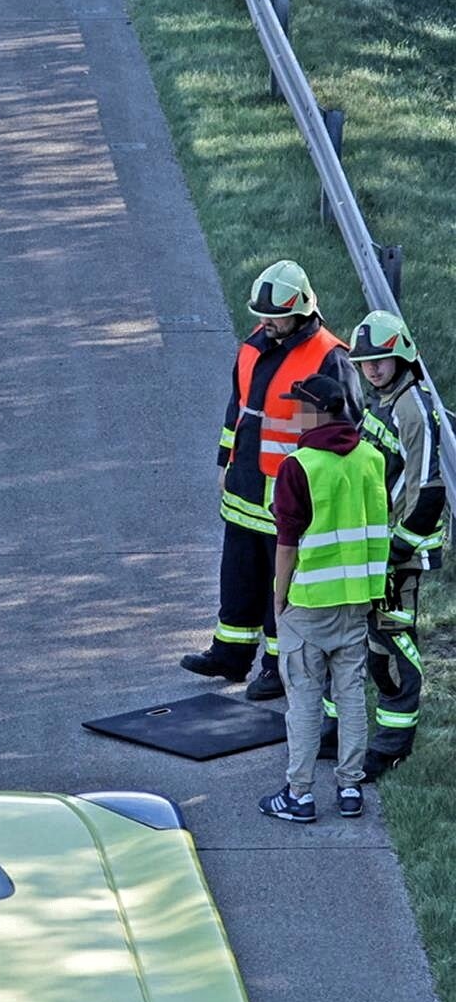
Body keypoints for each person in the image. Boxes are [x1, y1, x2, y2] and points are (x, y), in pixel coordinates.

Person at [184, 261, 355, 701]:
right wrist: (225, 460)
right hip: (245, 487)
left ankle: (277, 669)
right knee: (239, 576)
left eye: (274, 316)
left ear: (300, 310)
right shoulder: (254, 346)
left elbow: (345, 429)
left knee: (285, 586)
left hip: (291, 495)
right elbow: (237, 410)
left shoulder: (328, 355)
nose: (265, 323)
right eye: (261, 315)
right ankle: (230, 654)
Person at [259, 374, 387, 824]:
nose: (294, 413)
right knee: (351, 694)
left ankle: (300, 793)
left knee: (305, 699)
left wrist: (278, 598)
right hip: (356, 600)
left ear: (317, 411)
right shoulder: (371, 458)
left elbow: (288, 542)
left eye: (300, 406)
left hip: (309, 603)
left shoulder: (300, 466)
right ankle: (350, 788)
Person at [347, 309, 449, 778]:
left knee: (391, 640)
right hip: (380, 547)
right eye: (365, 362)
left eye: (380, 361)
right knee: (375, 640)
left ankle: (391, 747)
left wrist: (398, 550)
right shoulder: (385, 399)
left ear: (403, 355)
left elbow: (428, 491)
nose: (372, 369)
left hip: (400, 554)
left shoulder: (413, 408)